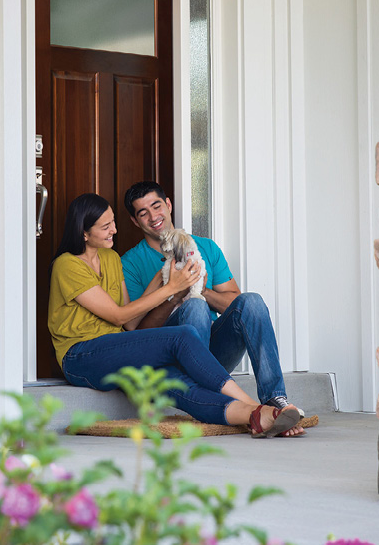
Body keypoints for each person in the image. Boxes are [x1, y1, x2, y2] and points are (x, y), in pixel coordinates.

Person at [48, 192, 302, 437]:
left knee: (177, 384)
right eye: (105, 227)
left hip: (116, 349)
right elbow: (118, 316)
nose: (114, 230)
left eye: (113, 222)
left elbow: (131, 322)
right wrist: (171, 288)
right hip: (80, 355)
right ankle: (258, 406)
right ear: (83, 232)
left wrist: (162, 277)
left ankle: (254, 417)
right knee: (181, 336)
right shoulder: (67, 265)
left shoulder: (111, 258)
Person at [121, 180, 305, 427]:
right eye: (143, 213)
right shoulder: (130, 262)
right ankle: (208, 400)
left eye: (157, 206)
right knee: (193, 307)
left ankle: (275, 400)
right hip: (171, 363)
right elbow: (138, 332)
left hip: (212, 354)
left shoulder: (205, 247)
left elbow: (235, 303)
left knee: (252, 301)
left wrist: (202, 290)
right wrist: (175, 295)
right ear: (135, 221)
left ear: (168, 204)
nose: (154, 216)